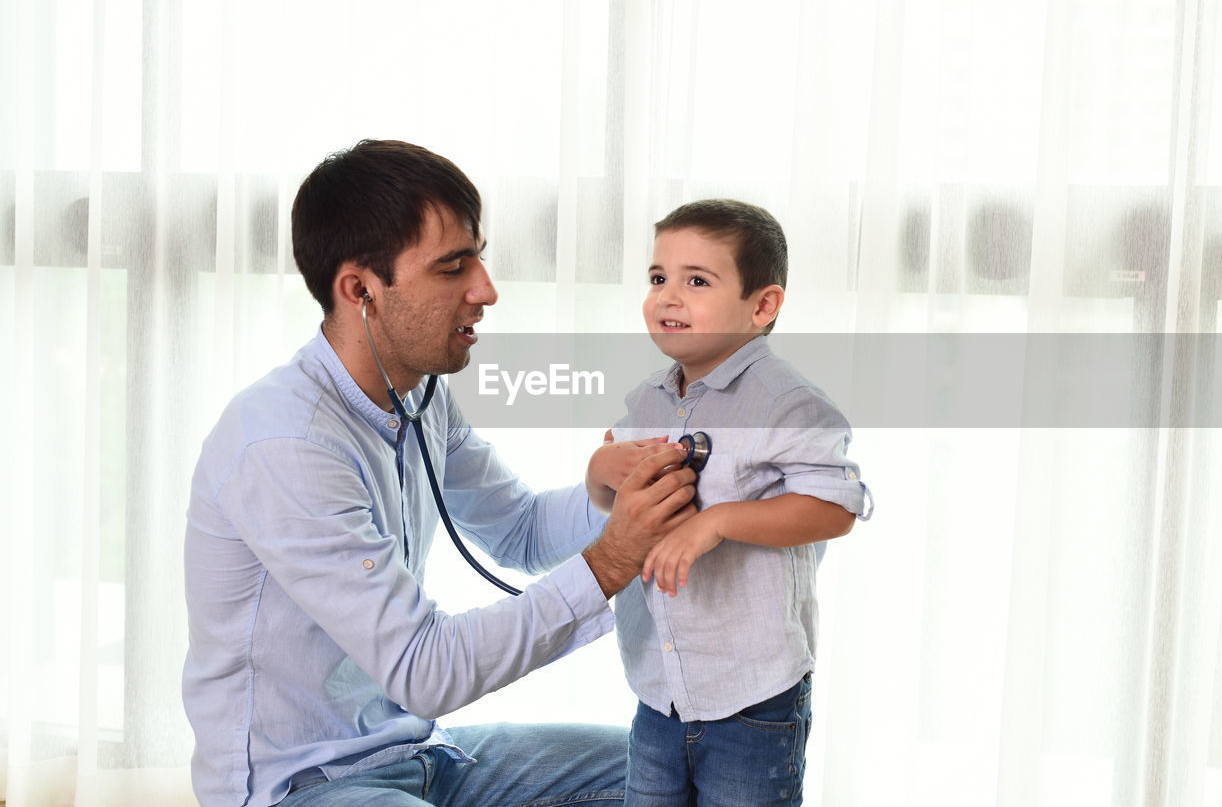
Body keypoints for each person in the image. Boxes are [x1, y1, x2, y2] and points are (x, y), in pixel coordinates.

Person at [182, 139, 698, 807]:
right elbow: (424, 671)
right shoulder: (284, 443)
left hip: (418, 754)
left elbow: (520, 531)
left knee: (674, 769)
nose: (485, 290)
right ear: (360, 289)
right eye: (453, 267)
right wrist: (611, 561)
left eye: (477, 258)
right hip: (301, 787)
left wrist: (612, 494)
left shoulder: (420, 395)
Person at [586, 199, 873, 806]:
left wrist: (719, 521)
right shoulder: (649, 402)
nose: (667, 296)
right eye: (658, 278)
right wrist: (598, 471)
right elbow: (617, 504)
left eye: (696, 281)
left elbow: (835, 507)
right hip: (661, 686)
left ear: (762, 305)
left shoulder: (786, 402)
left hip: (752, 696)